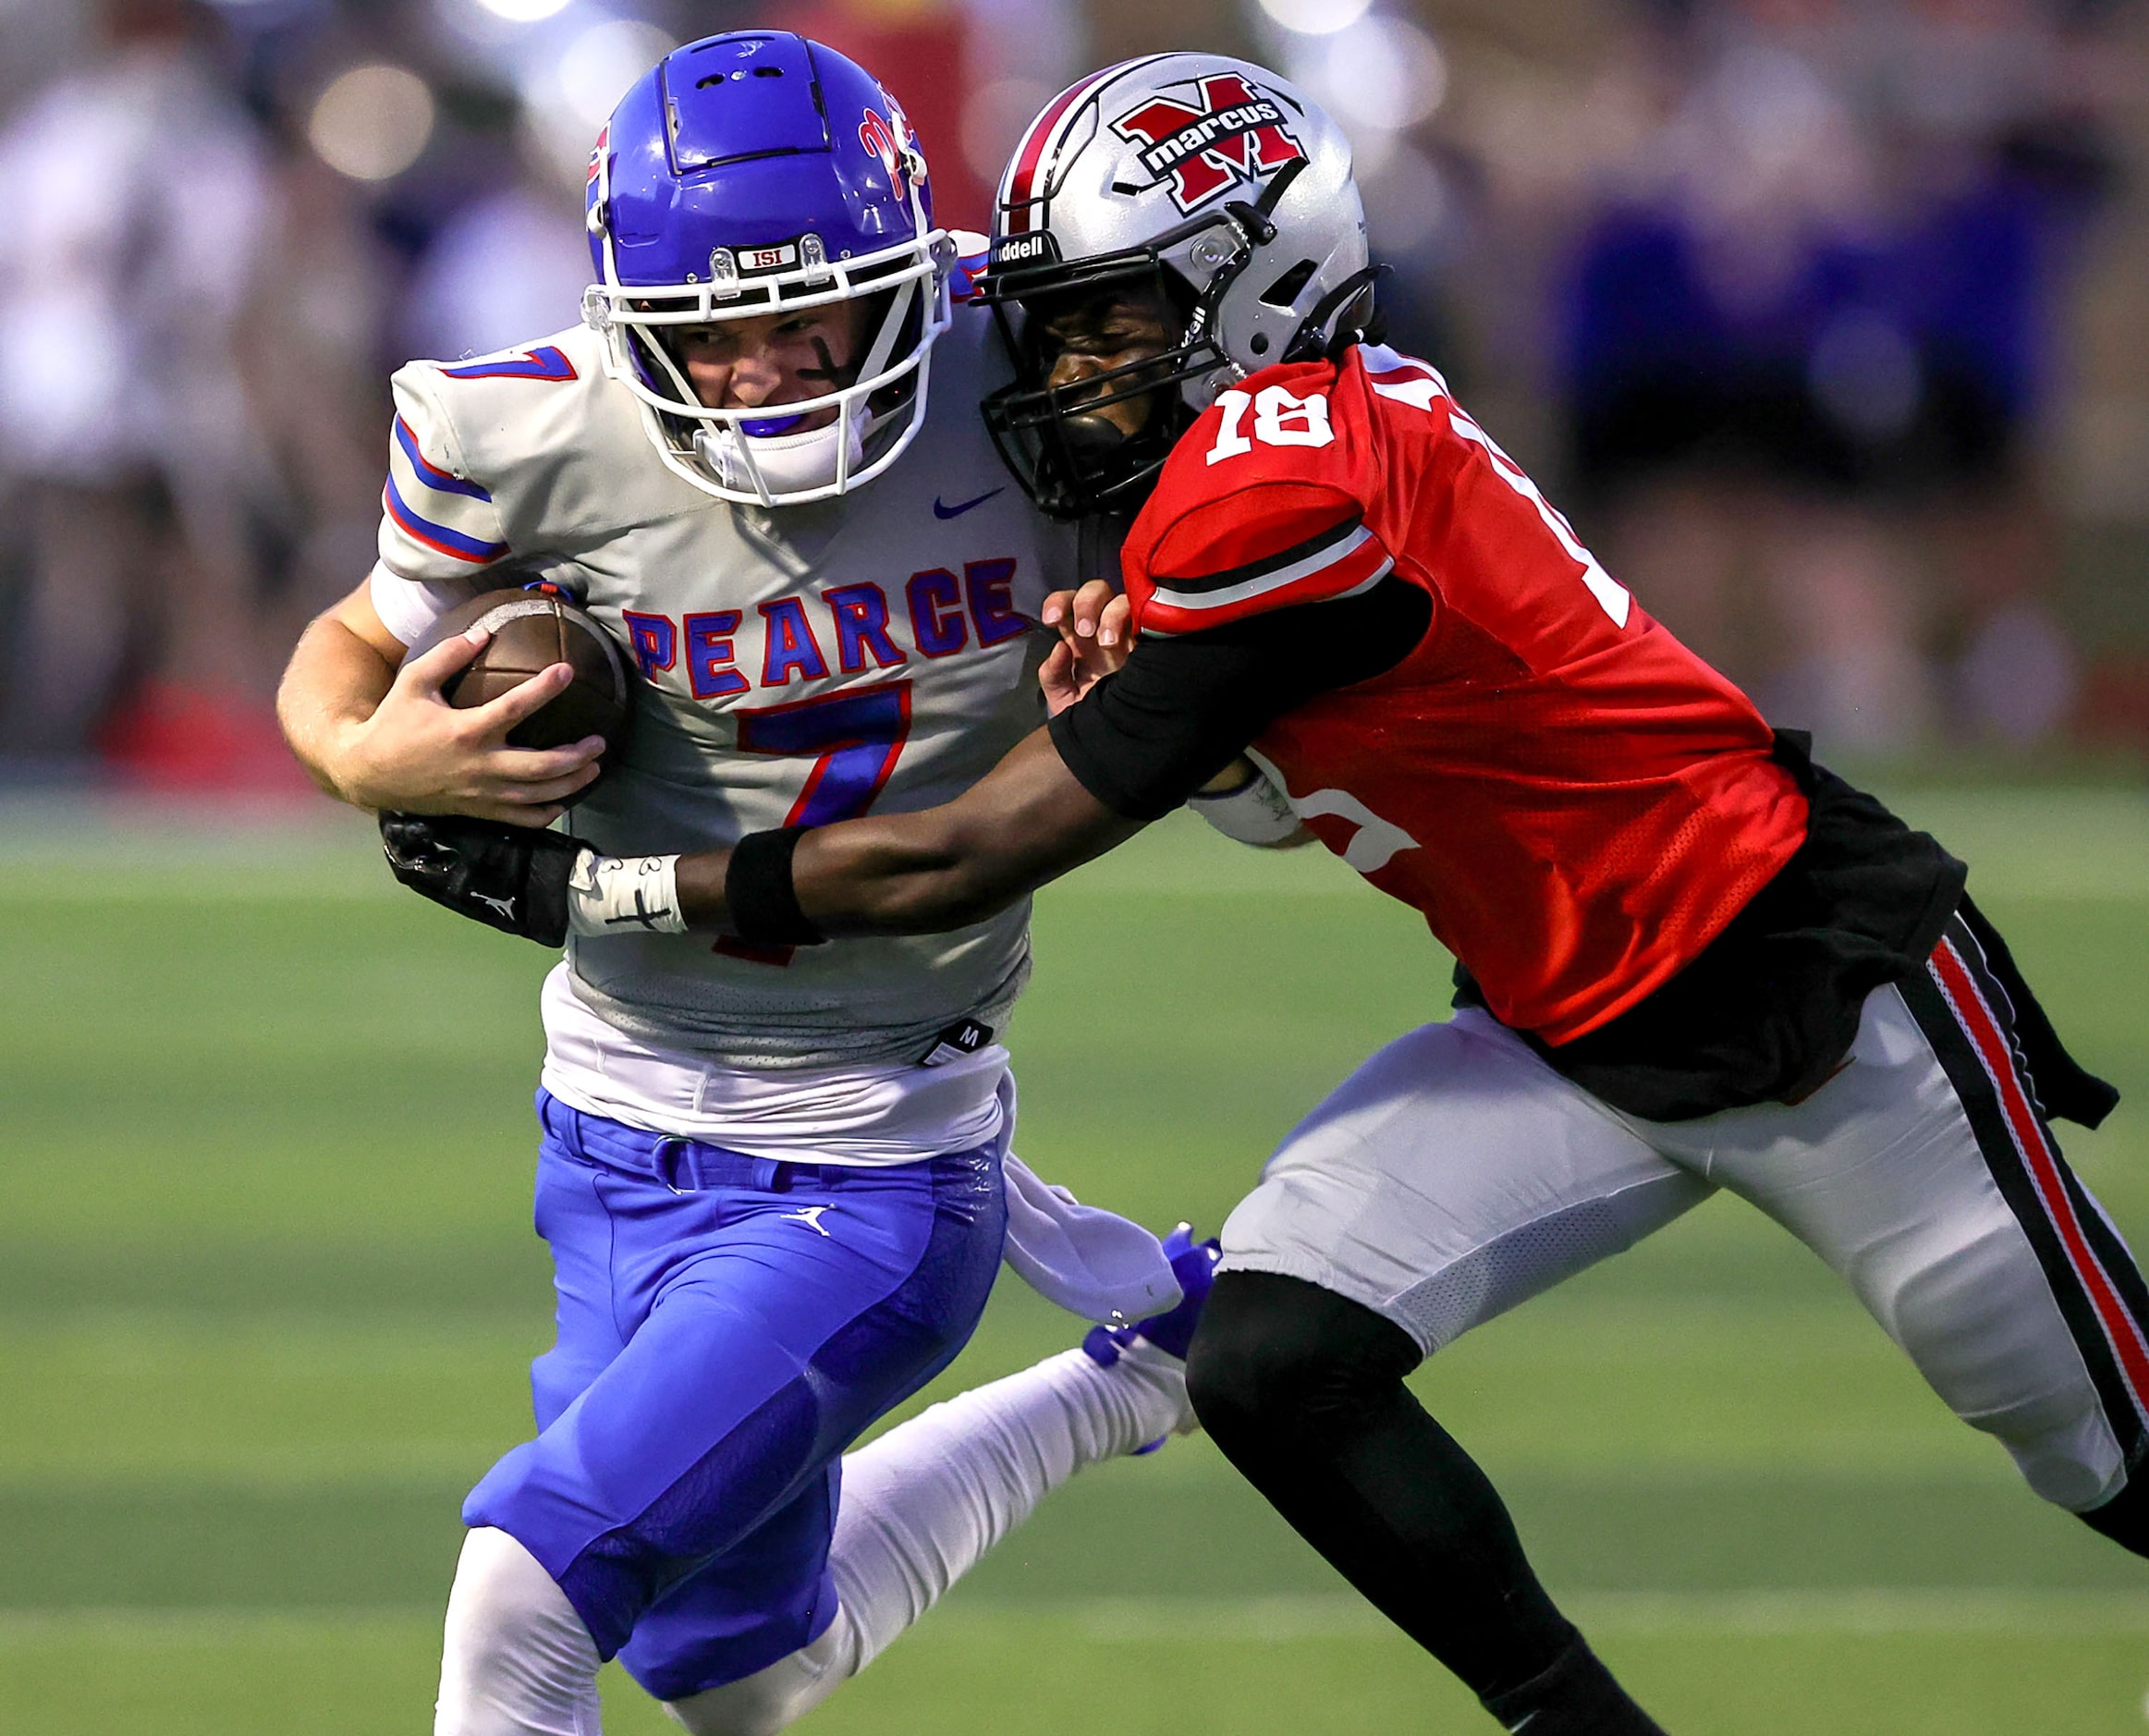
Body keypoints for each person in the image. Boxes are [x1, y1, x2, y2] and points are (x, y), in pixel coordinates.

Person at [385, 53, 2149, 1736]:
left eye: (1113, 321)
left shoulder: (1277, 480)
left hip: (1803, 983)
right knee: (1263, 1353)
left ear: (1257, 292)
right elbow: (1278, 784)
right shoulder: (1251, 462)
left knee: (2107, 1454)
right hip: (1555, 1017)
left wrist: (592, 885)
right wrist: (1171, 701)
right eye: (1057, 314)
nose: (1066, 365)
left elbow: (961, 853)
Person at [276, 32, 1221, 1736]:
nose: (774, 367)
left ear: (911, 281)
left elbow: (1247, 682)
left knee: (525, 1597)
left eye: (818, 314)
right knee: (737, 1669)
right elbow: (341, 652)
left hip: (876, 1154)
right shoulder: (526, 427)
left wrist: (1153, 655)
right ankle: (1134, 1374)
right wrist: (364, 756)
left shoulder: (1040, 375)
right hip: (606, 1119)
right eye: (720, 327)